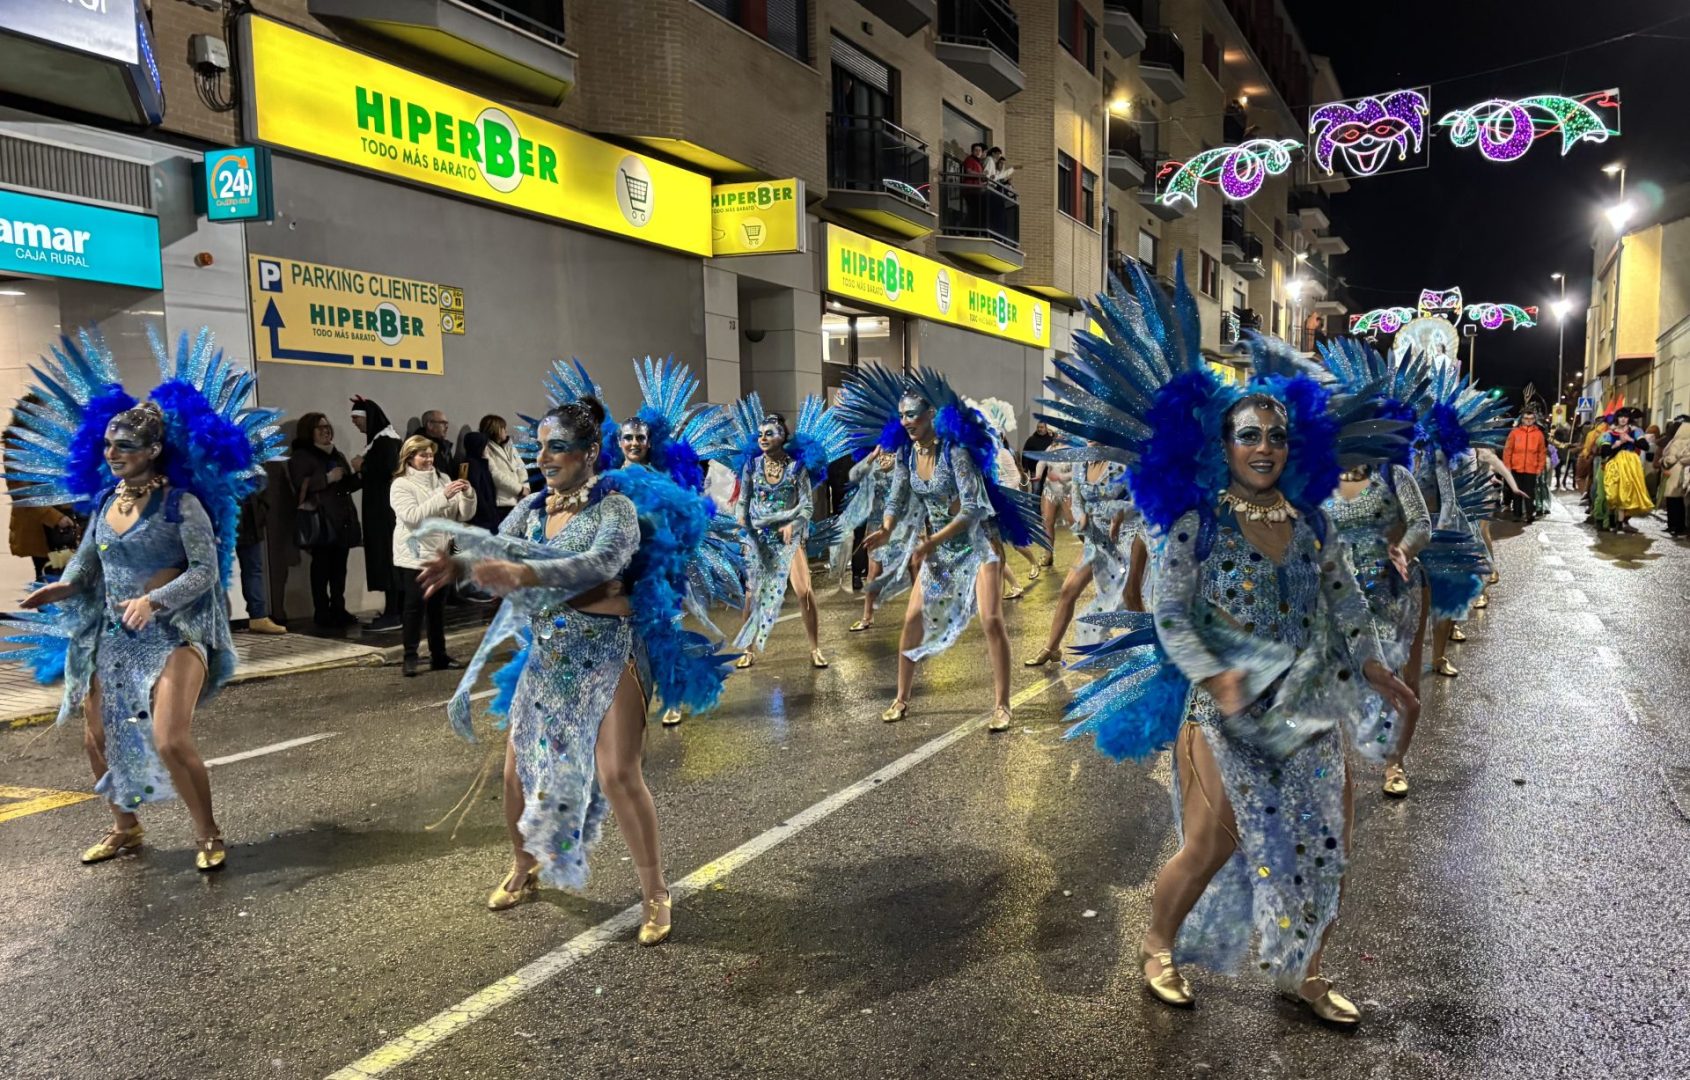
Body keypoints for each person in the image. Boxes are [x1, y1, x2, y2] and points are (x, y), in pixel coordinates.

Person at [1041, 264, 1417, 1025]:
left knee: (1325, 845)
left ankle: (1305, 972)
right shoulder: (1199, 523)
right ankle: (1157, 943)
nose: (1265, 447)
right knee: (1212, 841)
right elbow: (1171, 615)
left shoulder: (1312, 523)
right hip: (1221, 709)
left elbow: (1345, 603)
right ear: (1224, 443)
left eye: (1277, 435)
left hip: (1305, 704)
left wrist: (1377, 667)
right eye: (1250, 435)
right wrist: (1215, 678)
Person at [415, 391, 730, 937]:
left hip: (609, 653)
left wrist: (529, 576)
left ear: (588, 453)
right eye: (540, 447)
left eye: (557, 447)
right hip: (548, 656)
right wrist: (461, 563)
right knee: (517, 773)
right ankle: (524, 864)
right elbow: (498, 551)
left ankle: (655, 890)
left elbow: (599, 564)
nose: (543, 457)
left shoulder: (616, 509)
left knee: (618, 774)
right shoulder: (533, 509)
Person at [4, 327, 285, 872]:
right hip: (113, 634)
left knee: (169, 739)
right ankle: (125, 827)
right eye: (108, 445)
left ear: (154, 451)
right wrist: (64, 585)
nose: (112, 454)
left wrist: (155, 602)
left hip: (176, 633)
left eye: (125, 446)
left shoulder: (182, 505)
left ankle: (208, 832)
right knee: (97, 739)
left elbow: (205, 572)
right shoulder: (106, 501)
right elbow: (89, 560)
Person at [838, 366, 1049, 731]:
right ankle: (901, 697)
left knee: (991, 619)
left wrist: (931, 541)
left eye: (913, 414)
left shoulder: (956, 453)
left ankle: (1002, 704)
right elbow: (896, 497)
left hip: (978, 540)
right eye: (902, 415)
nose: (907, 421)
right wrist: (886, 529)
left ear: (931, 414)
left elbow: (972, 509)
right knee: (912, 620)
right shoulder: (906, 454)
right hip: (940, 546)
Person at [728, 397, 847, 670]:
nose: (763, 438)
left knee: (804, 592)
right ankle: (748, 650)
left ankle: (815, 648)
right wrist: (743, 527)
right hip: (759, 538)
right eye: (760, 434)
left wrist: (794, 525)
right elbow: (743, 503)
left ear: (783, 436)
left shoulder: (796, 468)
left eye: (769, 433)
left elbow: (807, 506)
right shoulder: (751, 466)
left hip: (789, 539)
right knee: (752, 596)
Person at [1024, 449, 1140, 666]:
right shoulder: (1082, 462)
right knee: (1068, 589)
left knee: (1130, 596)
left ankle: (1150, 648)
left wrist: (1118, 513)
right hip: (1095, 540)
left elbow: (1142, 499)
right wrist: (1083, 517)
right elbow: (1077, 501)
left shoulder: (1123, 459)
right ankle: (1051, 648)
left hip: (1125, 539)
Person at [391, 434, 476, 675]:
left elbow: (463, 515)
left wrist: (468, 494)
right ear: (409, 457)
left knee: (438, 608)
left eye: (431, 455)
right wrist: (443, 496)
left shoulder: (443, 479)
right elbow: (413, 517)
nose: (429, 459)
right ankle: (410, 657)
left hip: (442, 552)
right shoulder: (401, 484)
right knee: (414, 606)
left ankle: (439, 655)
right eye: (423, 455)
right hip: (416, 554)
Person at [287, 412, 362, 628]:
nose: (326, 431)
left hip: (342, 518)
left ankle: (339, 607)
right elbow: (300, 484)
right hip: (321, 519)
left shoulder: (336, 454)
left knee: (340, 568)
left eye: (327, 426)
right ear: (308, 431)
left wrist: (358, 475)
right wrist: (327, 478)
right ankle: (322, 610)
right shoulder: (302, 456)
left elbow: (346, 485)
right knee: (321, 568)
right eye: (320, 428)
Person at [350, 396, 403, 631]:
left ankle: (394, 612)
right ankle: (394, 609)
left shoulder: (386, 442)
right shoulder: (380, 441)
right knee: (385, 557)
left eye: (357, 419)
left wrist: (362, 466)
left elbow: (388, 470)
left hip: (384, 512)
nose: (355, 424)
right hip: (380, 510)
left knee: (387, 558)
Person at [235, 488, 285, 634]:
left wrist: (261, 511)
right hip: (223, 519)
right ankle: (210, 622)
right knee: (213, 571)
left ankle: (258, 617)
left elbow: (263, 488)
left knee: (254, 569)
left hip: (250, 520)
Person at [1602, 408, 1654, 534]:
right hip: (1614, 464)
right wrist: (1617, 444)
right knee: (1612, 493)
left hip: (1630, 466)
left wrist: (1631, 440)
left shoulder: (1635, 431)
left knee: (1625, 493)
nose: (1623, 419)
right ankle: (1612, 521)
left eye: (1626, 417)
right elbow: (1604, 452)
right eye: (1621, 417)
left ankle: (1620, 524)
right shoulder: (1610, 433)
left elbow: (1645, 446)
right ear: (1617, 418)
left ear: (1629, 419)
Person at [479, 414, 529, 528]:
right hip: (503, 503)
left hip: (519, 501)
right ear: (495, 429)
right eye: (503, 428)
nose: (506, 431)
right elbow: (495, 474)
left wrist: (526, 488)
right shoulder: (486, 448)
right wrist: (520, 490)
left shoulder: (509, 445)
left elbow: (521, 467)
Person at [1501, 409, 1547, 523]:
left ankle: (1529, 514)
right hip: (1515, 468)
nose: (1529, 421)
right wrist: (1507, 466)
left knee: (1529, 492)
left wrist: (1540, 468)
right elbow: (1508, 450)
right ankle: (1517, 514)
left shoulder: (1539, 434)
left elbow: (1542, 453)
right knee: (1516, 492)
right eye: (1526, 418)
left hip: (1531, 468)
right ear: (1522, 419)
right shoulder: (1514, 433)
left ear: (1534, 420)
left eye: (1531, 419)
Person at [1659, 416, 1690, 537]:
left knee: (1674, 501)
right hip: (1678, 473)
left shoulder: (1678, 442)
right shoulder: (1685, 441)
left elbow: (1671, 458)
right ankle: (1677, 526)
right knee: (1677, 502)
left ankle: (1675, 526)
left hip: (1674, 473)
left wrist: (1664, 461)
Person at [421, 409, 456, 478]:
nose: (447, 427)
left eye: (447, 424)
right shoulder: (421, 446)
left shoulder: (444, 446)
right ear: (430, 425)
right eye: (443, 423)